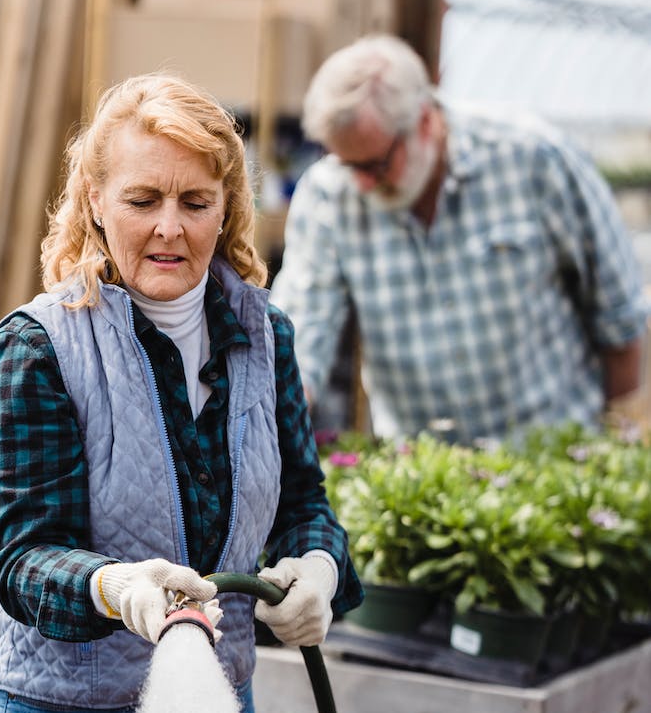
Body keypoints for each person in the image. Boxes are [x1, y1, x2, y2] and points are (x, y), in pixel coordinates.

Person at [0, 72, 362, 713]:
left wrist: (319, 564)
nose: (169, 230)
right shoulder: (38, 346)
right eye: (142, 199)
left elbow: (301, 503)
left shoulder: (265, 337)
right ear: (93, 201)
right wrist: (116, 588)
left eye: (194, 202)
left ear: (227, 207)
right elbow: (23, 556)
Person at [270, 33, 648, 444]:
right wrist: (279, 409)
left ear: (426, 122)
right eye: (347, 165)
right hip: (427, 471)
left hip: (552, 461)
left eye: (376, 165)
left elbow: (620, 318)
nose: (362, 185)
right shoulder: (328, 194)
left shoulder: (533, 160)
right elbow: (302, 330)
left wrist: (617, 448)